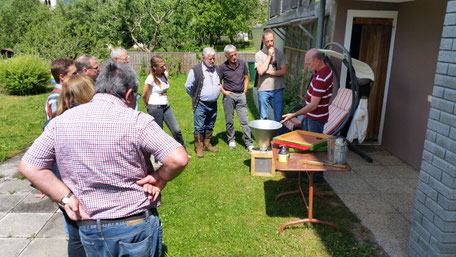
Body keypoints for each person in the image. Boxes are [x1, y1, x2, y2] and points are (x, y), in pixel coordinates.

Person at [19, 61, 188, 257]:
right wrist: (159, 178)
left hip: (89, 224)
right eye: (136, 96)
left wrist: (66, 198)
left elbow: (29, 165)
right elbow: (179, 158)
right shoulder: (137, 121)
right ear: (128, 94)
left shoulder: (60, 122)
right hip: (133, 223)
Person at [50, 75, 95, 257]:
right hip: (85, 188)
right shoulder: (89, 122)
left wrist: (60, 193)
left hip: (65, 191)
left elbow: (42, 163)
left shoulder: (54, 121)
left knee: (76, 236)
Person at [281, 48, 333, 181]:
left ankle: (316, 176)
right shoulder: (322, 71)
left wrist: (294, 115)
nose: (306, 66)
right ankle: (307, 171)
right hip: (311, 116)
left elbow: (313, 105)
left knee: (314, 149)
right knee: (307, 146)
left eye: (309, 63)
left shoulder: (322, 77)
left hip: (316, 118)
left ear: (317, 61)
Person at [143, 56, 186, 151]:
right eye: (161, 66)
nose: (165, 68)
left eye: (164, 65)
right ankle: (157, 157)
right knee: (158, 134)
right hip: (155, 108)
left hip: (166, 106)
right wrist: (148, 106)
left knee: (176, 130)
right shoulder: (150, 79)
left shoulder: (164, 74)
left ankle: (183, 151)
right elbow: (144, 95)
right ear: (154, 67)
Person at [185, 47, 221, 158]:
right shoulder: (195, 70)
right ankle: (199, 147)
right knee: (199, 127)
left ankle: (207, 144)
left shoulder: (216, 69)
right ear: (203, 58)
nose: (212, 61)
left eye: (214, 58)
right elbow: (188, 86)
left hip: (213, 103)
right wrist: (196, 97)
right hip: (201, 103)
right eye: (210, 59)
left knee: (210, 124)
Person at [219, 44, 254, 152]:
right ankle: (231, 139)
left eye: (235, 54)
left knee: (244, 121)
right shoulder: (222, 67)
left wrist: (245, 91)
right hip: (229, 97)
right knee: (229, 120)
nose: (234, 57)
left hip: (241, 96)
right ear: (226, 56)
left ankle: (249, 143)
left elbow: (246, 78)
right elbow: (218, 82)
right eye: (231, 56)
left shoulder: (242, 64)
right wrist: (224, 92)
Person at [255, 29, 288, 122]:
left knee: (278, 117)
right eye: (267, 41)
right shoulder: (259, 55)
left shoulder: (280, 53)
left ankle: (278, 136)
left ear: (274, 39)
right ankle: (265, 136)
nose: (270, 43)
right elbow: (261, 72)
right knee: (263, 117)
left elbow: (284, 71)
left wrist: (268, 72)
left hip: (277, 88)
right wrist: (269, 56)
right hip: (263, 89)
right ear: (263, 41)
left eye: (271, 40)